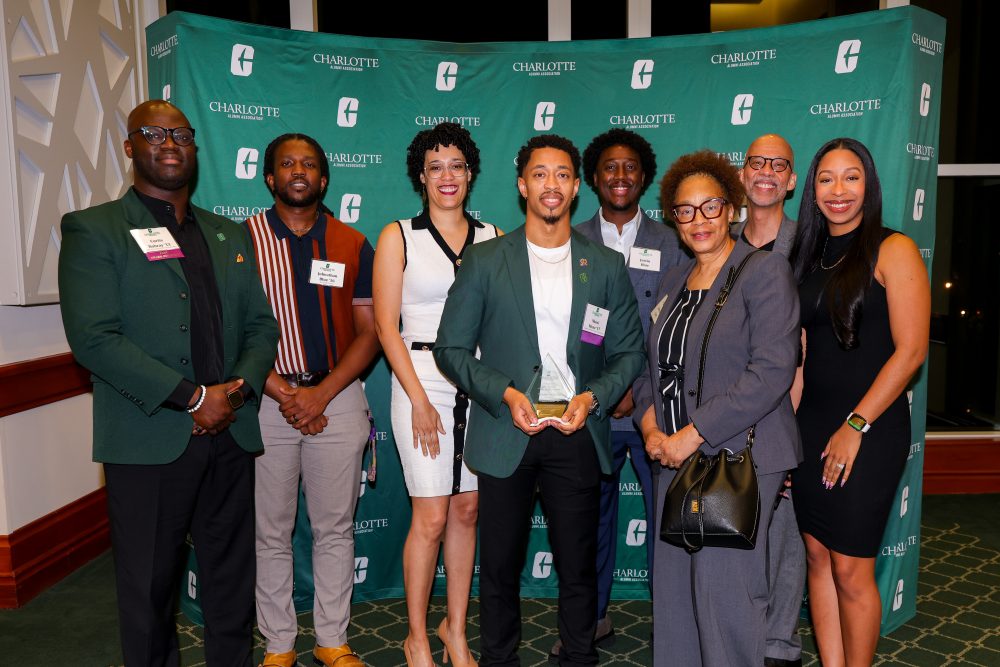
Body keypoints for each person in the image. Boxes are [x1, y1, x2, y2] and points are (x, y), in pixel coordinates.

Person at [58, 100, 279, 666]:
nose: (169, 142)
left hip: (231, 434)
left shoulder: (229, 234)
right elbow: (95, 340)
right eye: (153, 133)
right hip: (150, 438)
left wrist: (235, 392)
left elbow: (261, 325)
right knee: (149, 592)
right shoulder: (95, 229)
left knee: (232, 586)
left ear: (195, 149)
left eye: (180, 133)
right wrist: (192, 398)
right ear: (130, 147)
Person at [433, 135, 645, 666]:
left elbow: (628, 353)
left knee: (578, 567)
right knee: (499, 568)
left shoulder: (606, 266)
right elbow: (450, 349)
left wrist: (594, 398)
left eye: (562, 175)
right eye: (540, 174)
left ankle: (578, 657)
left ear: (576, 186)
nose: (551, 185)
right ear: (523, 183)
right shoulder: (483, 261)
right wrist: (503, 393)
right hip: (507, 432)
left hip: (576, 432)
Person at [633, 149, 802, 666]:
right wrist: (649, 427)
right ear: (673, 218)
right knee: (677, 597)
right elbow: (651, 370)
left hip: (739, 460)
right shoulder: (672, 281)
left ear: (732, 209)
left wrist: (692, 434)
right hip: (673, 457)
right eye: (686, 210)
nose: (699, 220)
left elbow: (771, 371)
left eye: (711, 207)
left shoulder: (764, 271)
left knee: (725, 599)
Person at [789, 138, 929, 667]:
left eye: (851, 177)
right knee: (818, 558)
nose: (838, 190)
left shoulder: (894, 249)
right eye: (826, 178)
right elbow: (801, 355)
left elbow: (911, 350)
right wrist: (786, 432)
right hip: (811, 426)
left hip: (868, 428)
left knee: (851, 567)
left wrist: (855, 425)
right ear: (812, 189)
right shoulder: (804, 257)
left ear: (868, 184)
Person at [245, 133, 380, 667]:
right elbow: (227, 330)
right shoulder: (241, 239)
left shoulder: (351, 243)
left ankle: (332, 640)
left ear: (324, 180)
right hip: (263, 396)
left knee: (334, 527)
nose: (298, 171)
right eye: (286, 163)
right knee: (271, 530)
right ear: (270, 178)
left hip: (339, 394)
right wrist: (283, 391)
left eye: (309, 164)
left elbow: (370, 333)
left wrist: (320, 394)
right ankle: (279, 644)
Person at [550, 128, 684, 660]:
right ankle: (591, 620)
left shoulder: (676, 239)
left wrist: (637, 388)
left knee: (665, 522)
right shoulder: (568, 238)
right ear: (593, 179)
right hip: (592, 407)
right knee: (589, 522)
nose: (620, 176)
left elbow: (680, 323)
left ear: (645, 177)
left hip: (658, 408)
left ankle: (671, 622)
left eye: (630, 167)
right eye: (610, 167)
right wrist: (607, 389)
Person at [373, 123, 500, 667]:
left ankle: (456, 631)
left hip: (477, 382)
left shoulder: (494, 235)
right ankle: (417, 637)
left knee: (467, 510)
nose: (446, 176)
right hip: (419, 380)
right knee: (429, 515)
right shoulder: (397, 235)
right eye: (435, 167)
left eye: (456, 166)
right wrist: (419, 399)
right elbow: (384, 326)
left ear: (470, 174)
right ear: (420, 177)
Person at [733, 134, 807, 667]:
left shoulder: (810, 248)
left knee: (783, 532)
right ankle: (736, 634)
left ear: (791, 180)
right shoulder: (718, 242)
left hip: (793, 410)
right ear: (742, 174)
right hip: (729, 415)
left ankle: (779, 643)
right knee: (733, 531)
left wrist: (786, 431)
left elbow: (808, 348)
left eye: (778, 165)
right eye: (757, 162)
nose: (766, 172)